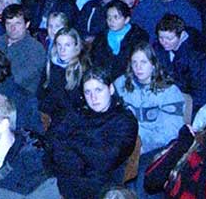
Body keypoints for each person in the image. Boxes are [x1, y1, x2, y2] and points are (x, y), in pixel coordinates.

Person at [46, 68, 139, 198]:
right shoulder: (78, 113)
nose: (93, 98)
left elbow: (104, 161)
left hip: (101, 187)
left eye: (98, 90)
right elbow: (51, 141)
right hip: (63, 178)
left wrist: (72, 141)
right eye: (87, 92)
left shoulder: (125, 120)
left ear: (111, 89)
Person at [115, 43, 189, 196]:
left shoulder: (169, 91)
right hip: (125, 142)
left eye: (143, 62)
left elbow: (171, 132)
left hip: (155, 147)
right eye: (134, 62)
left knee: (143, 176)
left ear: (154, 65)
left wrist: (141, 144)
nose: (138, 67)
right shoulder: (121, 84)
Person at [153, 14, 206, 108]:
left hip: (188, 103)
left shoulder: (198, 56)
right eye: (161, 38)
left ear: (182, 35)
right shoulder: (157, 49)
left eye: (170, 38)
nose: (164, 42)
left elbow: (203, 90)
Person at [0, 4, 47, 95]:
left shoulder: (36, 49)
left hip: (19, 100)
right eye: (8, 23)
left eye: (17, 23)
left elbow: (18, 79)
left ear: (27, 24)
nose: (13, 28)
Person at [39, 27, 91, 123]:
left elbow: (77, 103)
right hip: (48, 114)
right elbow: (41, 91)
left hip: (71, 118)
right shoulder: (51, 64)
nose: (62, 50)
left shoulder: (83, 69)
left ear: (76, 46)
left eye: (67, 45)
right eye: (59, 45)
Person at [89, 0, 151, 80]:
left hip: (130, 79)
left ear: (126, 20)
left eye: (116, 17)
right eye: (109, 17)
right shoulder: (101, 37)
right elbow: (94, 60)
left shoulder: (138, 36)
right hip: (105, 79)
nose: (111, 21)